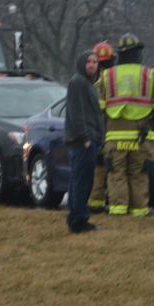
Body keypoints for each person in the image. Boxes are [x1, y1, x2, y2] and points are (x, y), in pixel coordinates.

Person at [97, 33, 154, 217]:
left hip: (114, 138)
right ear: (138, 53)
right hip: (140, 137)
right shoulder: (147, 74)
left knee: (116, 174)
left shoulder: (107, 76)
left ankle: (118, 209)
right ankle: (140, 210)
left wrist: (101, 133)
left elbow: (100, 109)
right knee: (139, 174)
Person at [64, 50, 104, 233]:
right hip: (83, 143)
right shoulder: (78, 82)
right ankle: (79, 220)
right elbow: (76, 113)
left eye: (95, 62)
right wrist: (86, 138)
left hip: (90, 140)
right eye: (88, 61)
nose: (92, 65)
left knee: (81, 181)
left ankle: (76, 218)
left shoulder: (88, 84)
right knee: (82, 182)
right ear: (82, 63)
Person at [88, 40, 116, 213]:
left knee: (99, 169)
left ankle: (96, 202)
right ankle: (102, 201)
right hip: (110, 131)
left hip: (99, 131)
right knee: (109, 169)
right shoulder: (113, 80)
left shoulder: (93, 82)